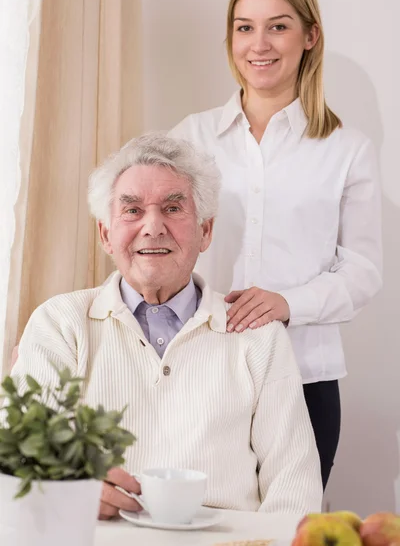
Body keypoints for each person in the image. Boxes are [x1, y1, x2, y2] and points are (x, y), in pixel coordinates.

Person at [11, 134, 323, 520]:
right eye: (132, 210)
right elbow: (18, 463)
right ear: (106, 234)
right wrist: (68, 492)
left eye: (173, 208)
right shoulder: (59, 322)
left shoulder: (260, 336)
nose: (152, 227)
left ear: (205, 231)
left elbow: (294, 487)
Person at [169, 0, 382, 489]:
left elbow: (363, 271)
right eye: (245, 27)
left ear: (310, 36)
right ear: (231, 38)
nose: (258, 44)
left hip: (304, 377)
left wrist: (288, 303)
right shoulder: (190, 138)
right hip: (201, 374)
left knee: (293, 530)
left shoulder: (347, 150)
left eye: (278, 26)